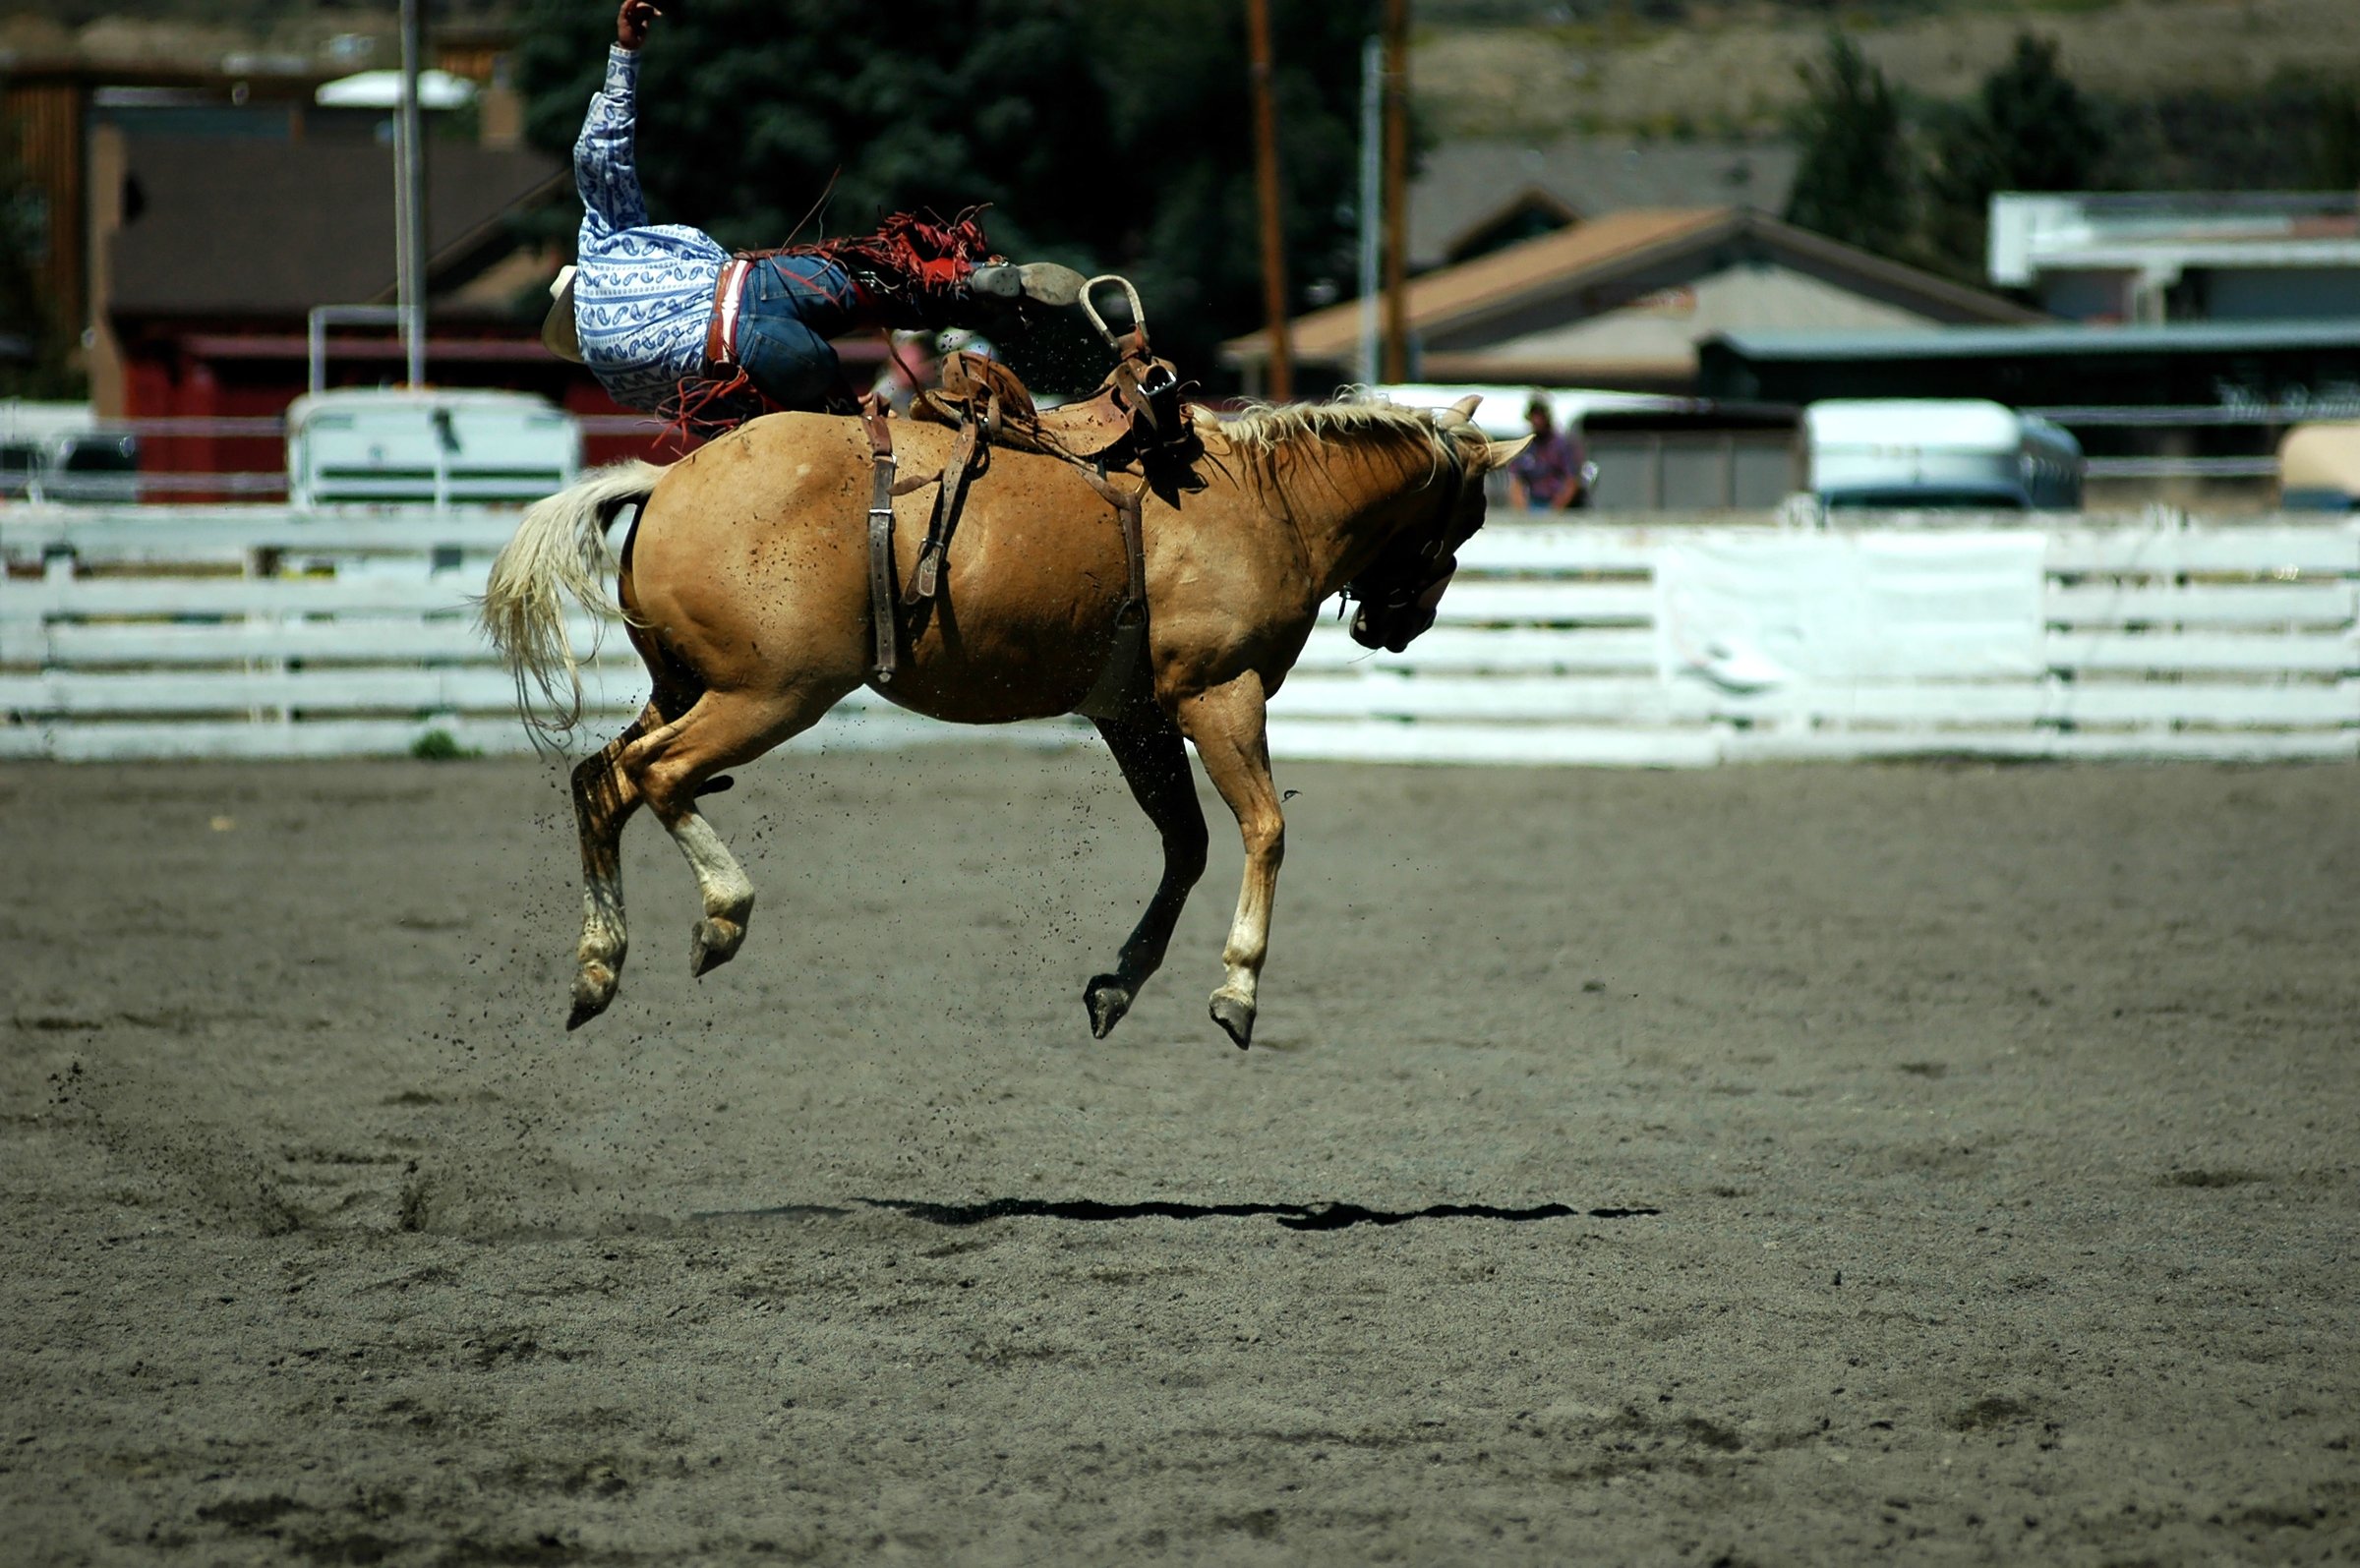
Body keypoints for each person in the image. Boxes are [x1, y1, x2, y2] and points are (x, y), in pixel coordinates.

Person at [541, 0, 1086, 423]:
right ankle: (968, 280)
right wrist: (625, 55)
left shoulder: (620, 383)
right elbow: (601, 155)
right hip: (752, 288)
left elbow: (710, 416)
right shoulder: (603, 247)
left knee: (858, 443)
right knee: (877, 272)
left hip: (757, 361)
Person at [1504, 394, 1589, 510]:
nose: (1537, 420)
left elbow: (1572, 481)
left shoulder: (1561, 446)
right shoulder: (1525, 447)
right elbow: (1516, 481)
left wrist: (1555, 509)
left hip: (1558, 505)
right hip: (1533, 504)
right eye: (1534, 416)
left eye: (1540, 415)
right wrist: (1522, 512)